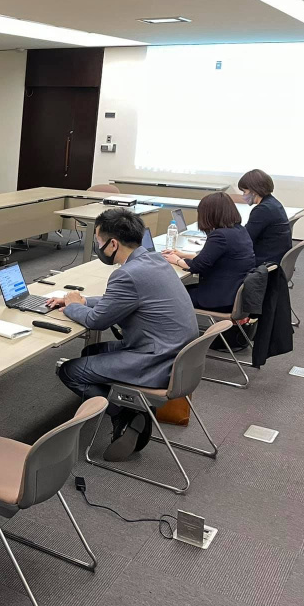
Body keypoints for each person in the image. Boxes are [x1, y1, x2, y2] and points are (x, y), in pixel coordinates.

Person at [49, 208, 199, 461]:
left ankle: (125, 414)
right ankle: (128, 408)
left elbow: (97, 322)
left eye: (98, 241)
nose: (97, 247)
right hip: (177, 356)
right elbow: (120, 300)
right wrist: (83, 300)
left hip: (157, 360)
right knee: (91, 352)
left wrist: (73, 306)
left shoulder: (127, 274)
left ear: (113, 244)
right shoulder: (154, 260)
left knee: (70, 371)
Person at [162, 192, 255, 313]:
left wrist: (177, 260)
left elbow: (197, 266)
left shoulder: (220, 236)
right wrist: (182, 254)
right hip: (232, 294)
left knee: (166, 295)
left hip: (217, 299)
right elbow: (211, 258)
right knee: (178, 289)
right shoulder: (239, 230)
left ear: (209, 214)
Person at [237, 169, 291, 265]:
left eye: (244, 192)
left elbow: (246, 239)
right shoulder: (273, 203)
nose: (243, 195)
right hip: (275, 256)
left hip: (265, 261)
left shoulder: (263, 209)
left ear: (253, 191)